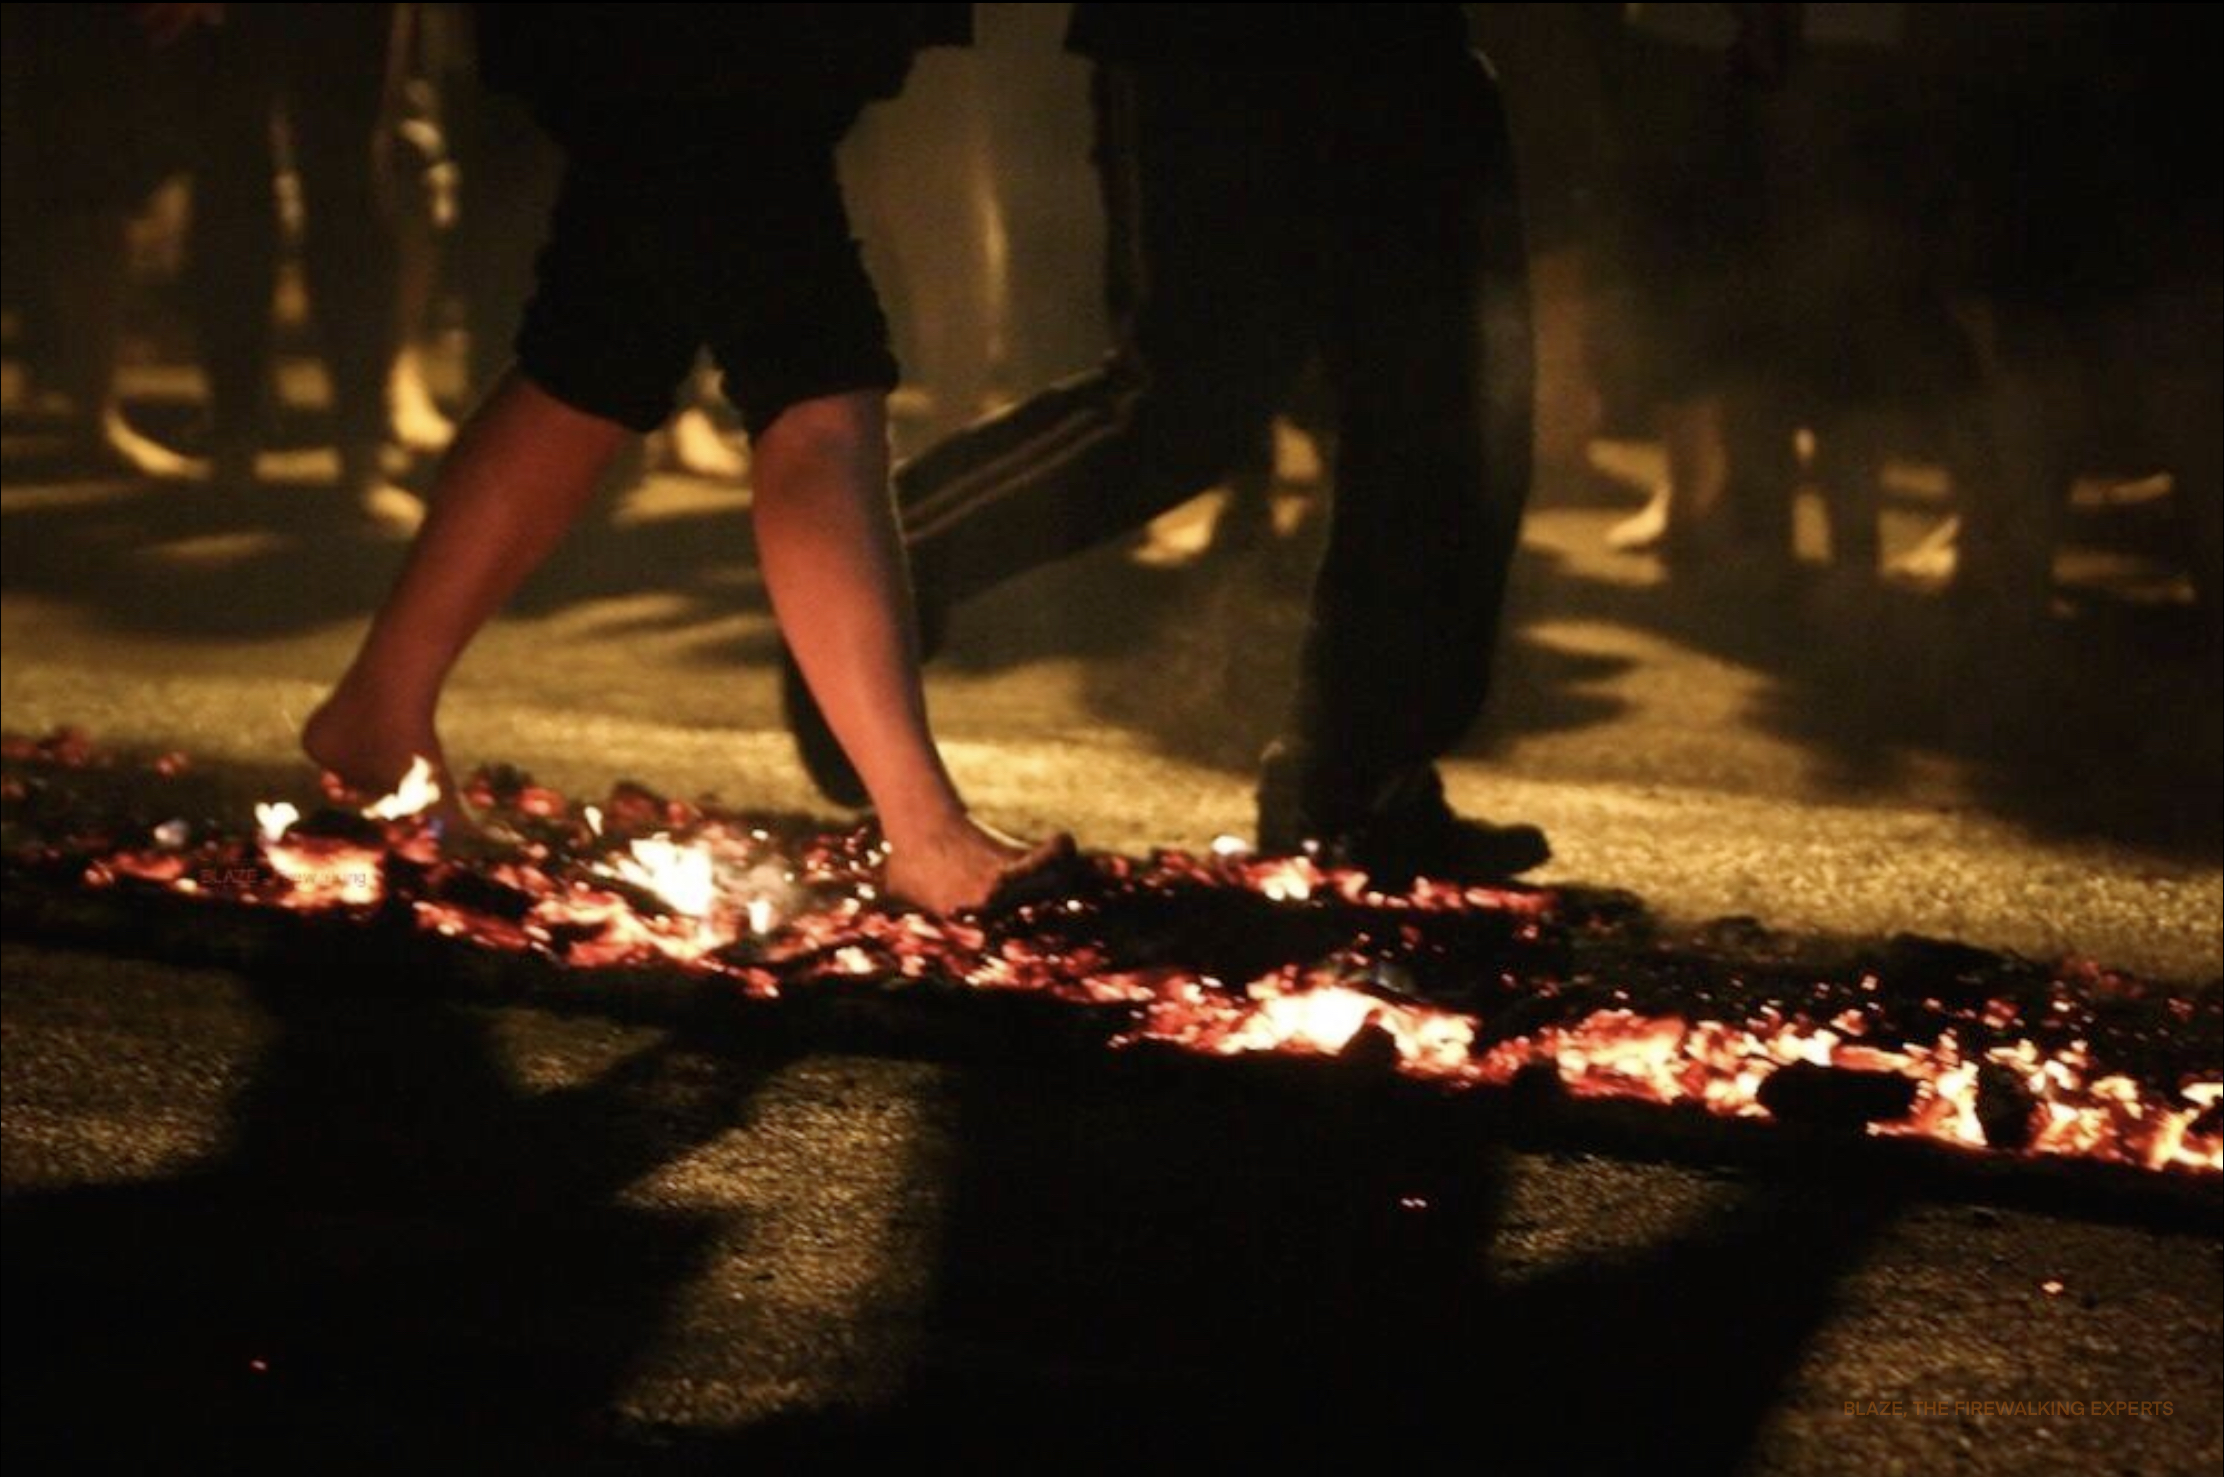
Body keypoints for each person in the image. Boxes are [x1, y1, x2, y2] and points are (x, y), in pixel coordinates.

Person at [305, 5, 1061, 914]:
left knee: (599, 351)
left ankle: (379, 709)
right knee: (813, 373)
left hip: (695, 43)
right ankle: (926, 829)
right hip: (697, 40)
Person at [784, 2, 1548, 884]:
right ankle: (877, 565)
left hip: (1407, 51)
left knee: (1449, 420)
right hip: (1211, 47)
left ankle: (1359, 784)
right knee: (1184, 405)